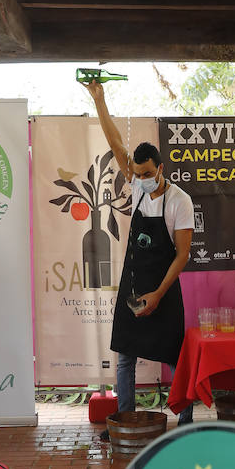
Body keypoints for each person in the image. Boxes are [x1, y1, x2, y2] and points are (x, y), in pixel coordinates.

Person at [83, 80, 194, 433]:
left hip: (164, 289)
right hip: (134, 287)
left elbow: (183, 255)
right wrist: (100, 99)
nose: (141, 179)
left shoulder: (180, 201)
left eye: (147, 174)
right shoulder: (135, 184)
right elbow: (116, 142)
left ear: (160, 169)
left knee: (176, 358)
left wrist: (158, 295)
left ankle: (185, 423)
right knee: (126, 358)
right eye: (138, 173)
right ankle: (127, 423)